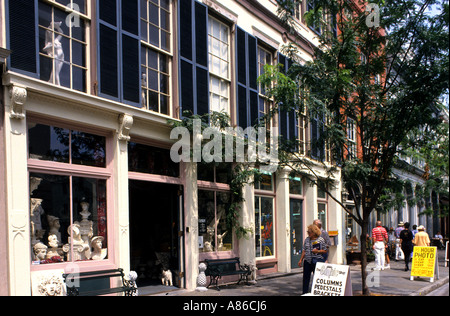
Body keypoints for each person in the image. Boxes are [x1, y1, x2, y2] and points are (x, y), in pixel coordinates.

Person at [298, 224, 328, 294]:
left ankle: (317, 292)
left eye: (309, 232)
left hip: (317, 261)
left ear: (314, 232)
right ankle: (305, 293)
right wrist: (301, 260)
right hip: (307, 261)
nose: (308, 233)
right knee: (306, 278)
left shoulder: (320, 240)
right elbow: (304, 250)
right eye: (307, 232)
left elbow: (325, 250)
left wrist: (317, 251)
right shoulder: (307, 240)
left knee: (317, 278)